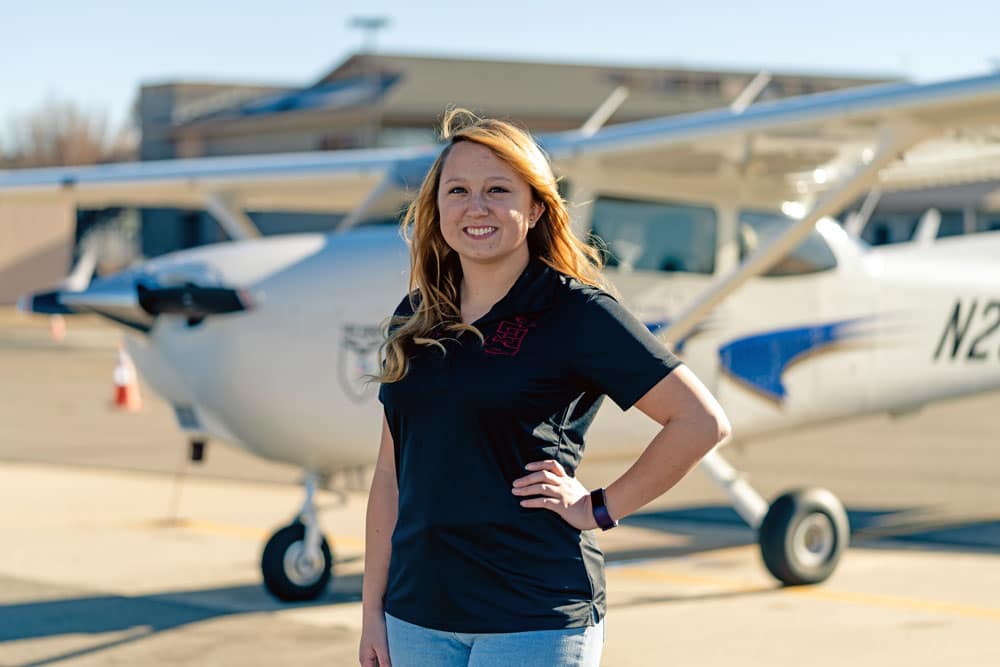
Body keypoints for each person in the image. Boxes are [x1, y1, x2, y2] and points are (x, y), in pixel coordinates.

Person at [360, 109, 731, 667]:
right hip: (417, 617)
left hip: (533, 618)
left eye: (497, 190)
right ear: (437, 209)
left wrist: (598, 508)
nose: (476, 207)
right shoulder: (416, 316)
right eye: (457, 190)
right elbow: (391, 476)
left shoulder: (577, 312)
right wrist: (373, 611)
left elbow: (700, 422)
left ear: (535, 208)